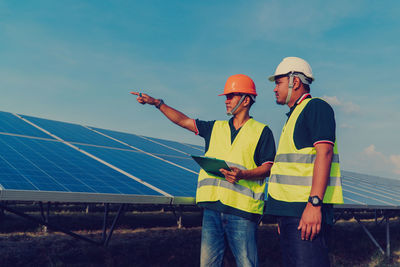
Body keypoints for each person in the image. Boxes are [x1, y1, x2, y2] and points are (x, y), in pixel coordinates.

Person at [131, 74, 276, 267]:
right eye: (226, 96)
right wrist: (158, 103)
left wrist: (243, 174)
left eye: (231, 96)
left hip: (242, 212)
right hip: (212, 210)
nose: (226, 101)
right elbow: (183, 121)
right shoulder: (215, 127)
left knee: (247, 263)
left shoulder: (261, 131)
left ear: (246, 100)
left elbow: (268, 167)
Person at [265, 57, 343, 267]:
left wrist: (314, 204)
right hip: (291, 215)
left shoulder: (315, 107)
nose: (275, 89)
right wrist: (283, 214)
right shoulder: (293, 116)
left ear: (295, 82)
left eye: (278, 82)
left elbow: (324, 153)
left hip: (306, 212)